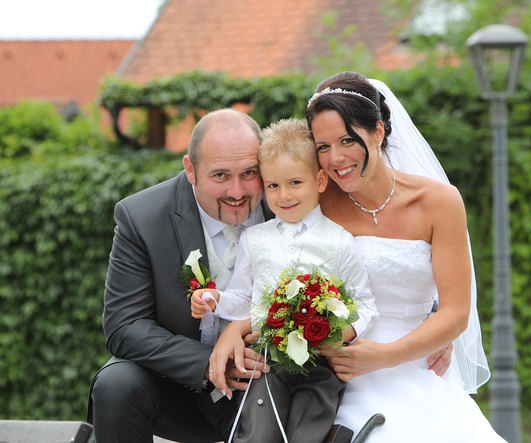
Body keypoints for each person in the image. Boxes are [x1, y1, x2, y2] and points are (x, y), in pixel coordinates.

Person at [302, 72, 502, 441]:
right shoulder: (315, 200)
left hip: (415, 363)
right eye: (323, 146)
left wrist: (384, 356)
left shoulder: (439, 202)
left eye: (348, 140)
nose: (336, 158)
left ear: (378, 131)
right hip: (336, 373)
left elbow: (455, 312)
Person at [87, 109, 271, 443]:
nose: (237, 190)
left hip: (267, 382)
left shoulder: (290, 204)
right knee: (116, 384)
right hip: (179, 388)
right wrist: (209, 362)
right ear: (190, 169)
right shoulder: (140, 217)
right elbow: (124, 326)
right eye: (220, 175)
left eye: (250, 172)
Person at [190, 118, 378, 442]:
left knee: (307, 436)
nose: (284, 195)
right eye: (273, 185)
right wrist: (215, 300)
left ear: (320, 181)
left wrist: (340, 333)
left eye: (295, 183)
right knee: (259, 434)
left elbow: (366, 305)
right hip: (267, 362)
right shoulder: (255, 239)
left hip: (319, 365)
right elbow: (243, 298)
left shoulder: (339, 241)